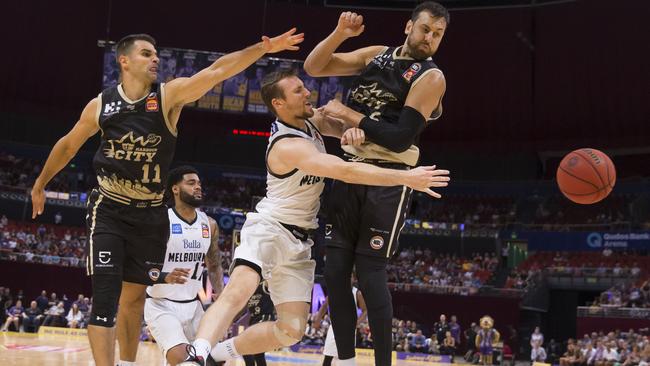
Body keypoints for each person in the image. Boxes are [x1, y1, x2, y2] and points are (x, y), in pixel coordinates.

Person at [30, 29, 304, 366]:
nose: (155, 58)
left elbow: (217, 71)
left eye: (156, 53)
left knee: (132, 300)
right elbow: (68, 144)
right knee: (104, 300)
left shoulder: (168, 96)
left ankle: (127, 363)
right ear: (124, 61)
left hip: (149, 212)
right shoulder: (101, 105)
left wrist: (263, 49)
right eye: (146, 53)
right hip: (109, 208)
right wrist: (40, 183)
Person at [181, 70, 449, 365]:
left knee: (291, 331)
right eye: (298, 91)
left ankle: (221, 353)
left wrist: (354, 135)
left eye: (304, 87)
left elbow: (364, 134)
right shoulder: (288, 145)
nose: (308, 93)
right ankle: (197, 354)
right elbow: (346, 170)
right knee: (240, 289)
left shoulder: (313, 120)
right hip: (271, 228)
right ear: (279, 104)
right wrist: (406, 177)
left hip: (301, 240)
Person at [304, 2, 449, 365]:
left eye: (438, 34)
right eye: (425, 29)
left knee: (370, 275)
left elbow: (400, 138)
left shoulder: (431, 77)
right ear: (408, 26)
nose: (430, 38)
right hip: (351, 168)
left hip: (389, 176)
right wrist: (340, 34)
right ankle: (347, 360)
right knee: (335, 272)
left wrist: (351, 115)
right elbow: (314, 67)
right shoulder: (375, 55)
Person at [144, 166, 223, 366]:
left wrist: (221, 295)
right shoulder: (161, 221)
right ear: (175, 189)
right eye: (191, 183)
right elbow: (139, 267)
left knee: (216, 358)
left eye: (199, 183)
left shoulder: (210, 224)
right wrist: (164, 276)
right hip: (161, 305)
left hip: (194, 305)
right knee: (183, 359)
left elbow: (214, 265)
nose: (198, 187)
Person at [314, 281, 368, 366]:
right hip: (335, 327)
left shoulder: (357, 293)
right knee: (328, 357)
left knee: (346, 359)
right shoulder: (335, 290)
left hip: (349, 329)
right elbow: (324, 306)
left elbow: (365, 310)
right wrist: (317, 320)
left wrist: (357, 323)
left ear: (354, 279)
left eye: (350, 276)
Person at [242, 283, 276, 366]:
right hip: (254, 321)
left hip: (265, 319)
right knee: (258, 354)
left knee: (244, 345)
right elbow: (242, 308)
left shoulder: (265, 284)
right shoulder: (249, 290)